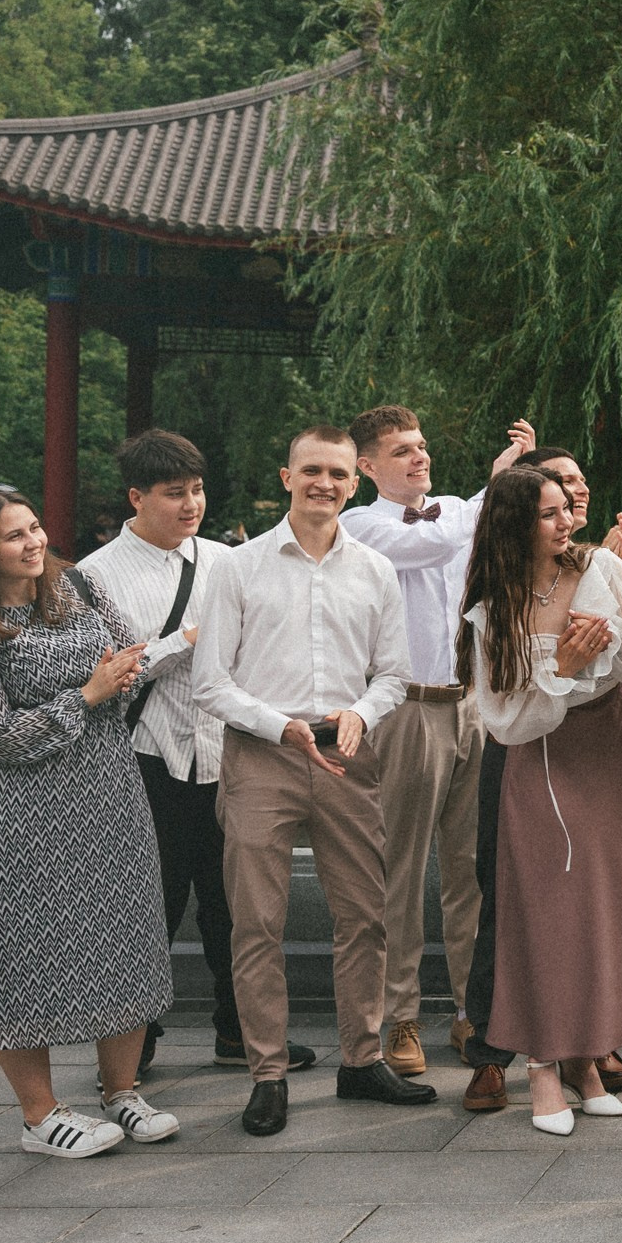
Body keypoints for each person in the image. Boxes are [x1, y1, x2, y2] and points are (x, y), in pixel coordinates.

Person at [195, 426, 435, 1137]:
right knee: (256, 921)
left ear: (353, 482)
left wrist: (362, 711)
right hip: (262, 752)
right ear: (286, 475)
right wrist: (279, 725)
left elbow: (394, 673)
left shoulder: (374, 569)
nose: (323, 483)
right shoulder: (238, 568)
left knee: (365, 914)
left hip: (348, 753)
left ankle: (361, 1059)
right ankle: (267, 1073)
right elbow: (211, 681)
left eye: (336, 472)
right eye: (310, 471)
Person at [0, 484, 180, 1158]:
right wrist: (88, 694)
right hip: (18, 813)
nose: (35, 541)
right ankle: (39, 1115)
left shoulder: (84, 593)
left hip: (106, 793)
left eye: (35, 526)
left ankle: (120, 1089)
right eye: (15, 535)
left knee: (121, 930)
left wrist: (116, 680)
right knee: (18, 950)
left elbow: (132, 654)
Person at [79, 430, 316, 1078]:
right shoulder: (95, 575)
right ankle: (133, 1044)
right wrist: (187, 638)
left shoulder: (226, 559)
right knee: (147, 905)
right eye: (174, 492)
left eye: (197, 489)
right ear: (137, 496)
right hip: (144, 756)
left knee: (236, 903)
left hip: (226, 750)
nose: (192, 504)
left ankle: (241, 1032)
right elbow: (109, 672)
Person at [460, 466, 622, 1134]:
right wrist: (563, 670)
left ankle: (584, 1062)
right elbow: (505, 720)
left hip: (605, 758)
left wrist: (614, 644)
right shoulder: (492, 606)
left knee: (601, 910)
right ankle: (542, 1065)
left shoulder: (601, 569)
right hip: (539, 767)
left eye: (566, 509)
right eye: (550, 513)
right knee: (543, 915)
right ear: (515, 522)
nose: (568, 520)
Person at [340, 405, 534, 1076]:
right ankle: (399, 1018)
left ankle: (470, 1010)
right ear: (367, 466)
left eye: (421, 446)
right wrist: (495, 484)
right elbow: (435, 544)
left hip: (472, 703)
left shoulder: (455, 508)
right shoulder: (360, 525)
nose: (418, 457)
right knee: (399, 871)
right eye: (400, 450)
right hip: (407, 711)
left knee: (471, 872)